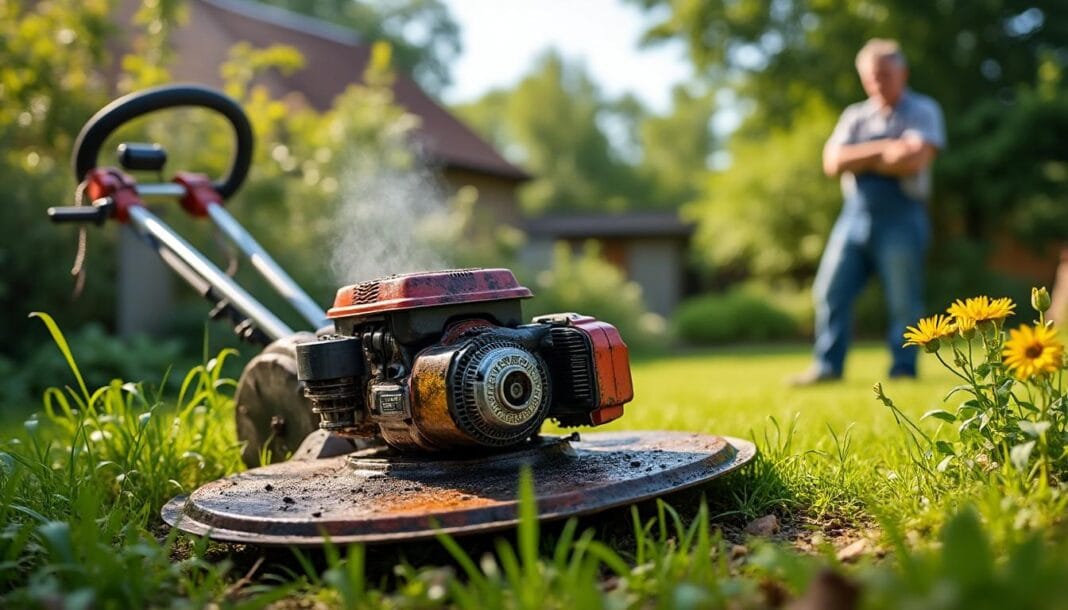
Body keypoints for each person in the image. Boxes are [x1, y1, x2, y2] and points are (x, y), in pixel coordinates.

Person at [791, 39, 946, 385]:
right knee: (830, 292)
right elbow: (832, 162)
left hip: (903, 216)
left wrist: (859, 158)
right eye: (872, 76)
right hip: (854, 216)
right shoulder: (854, 115)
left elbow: (914, 160)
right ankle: (828, 367)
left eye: (886, 74)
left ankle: (903, 369)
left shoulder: (923, 110)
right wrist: (885, 149)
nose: (879, 82)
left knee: (903, 301)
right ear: (863, 78)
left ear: (902, 73)